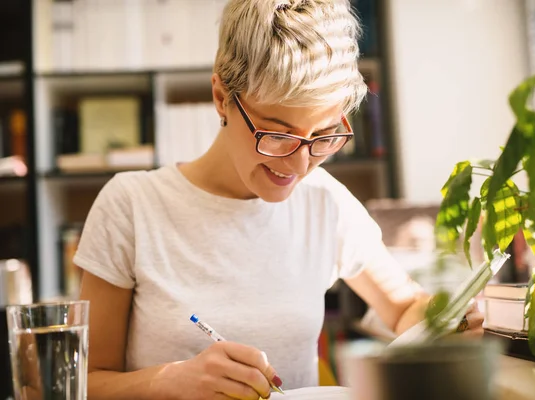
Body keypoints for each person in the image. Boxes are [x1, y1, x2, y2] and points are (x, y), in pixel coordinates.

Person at [77, 1, 484, 399]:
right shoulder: (131, 205)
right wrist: (169, 382)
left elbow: (402, 307)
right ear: (221, 97)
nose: (300, 163)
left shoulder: (325, 202)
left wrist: (448, 318)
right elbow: (82, 383)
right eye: (278, 134)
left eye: (323, 136)